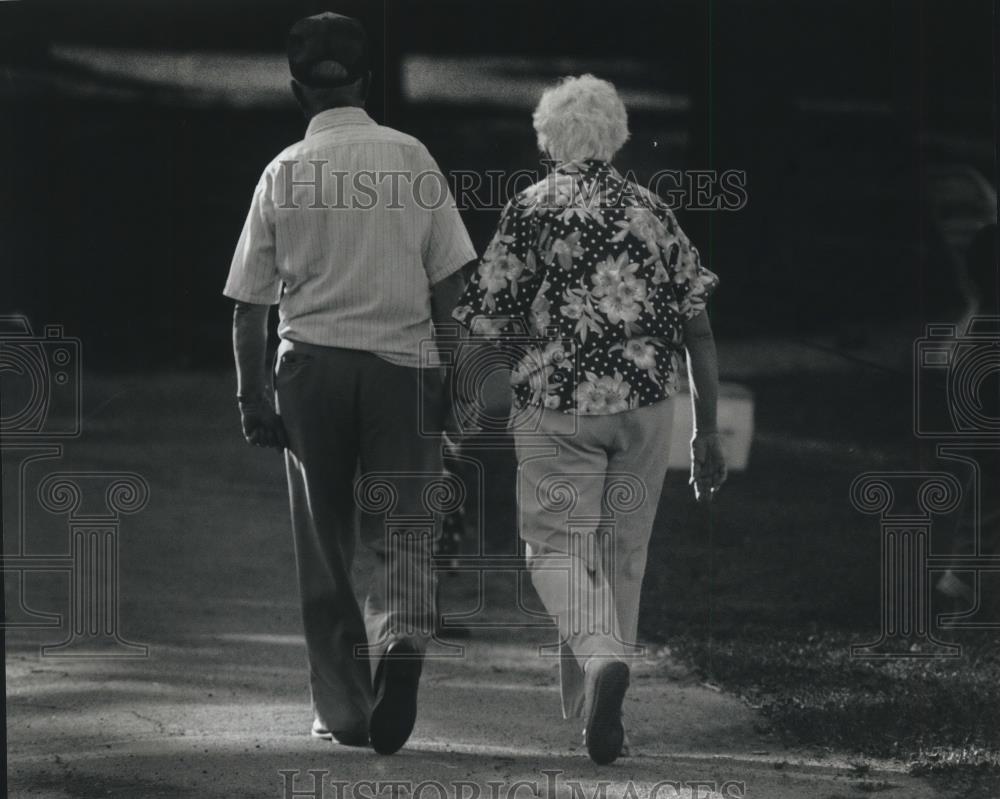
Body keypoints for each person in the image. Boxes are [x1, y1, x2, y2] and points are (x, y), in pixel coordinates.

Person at [451, 75, 726, 765]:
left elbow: (483, 316)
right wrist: (708, 430)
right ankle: (606, 709)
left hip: (559, 407)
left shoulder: (531, 209)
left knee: (553, 549)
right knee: (620, 558)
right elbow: (699, 329)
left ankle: (602, 661)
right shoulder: (653, 210)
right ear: (617, 137)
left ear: (548, 141)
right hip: (648, 405)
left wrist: (463, 399)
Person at [223, 13, 475, 754]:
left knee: (324, 543)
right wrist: (456, 377)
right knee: (405, 528)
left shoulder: (283, 171)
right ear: (365, 81)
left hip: (311, 371)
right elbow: (451, 287)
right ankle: (401, 637)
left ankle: (344, 709)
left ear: (297, 88)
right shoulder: (412, 157)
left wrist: (251, 397)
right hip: (403, 368)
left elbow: (249, 309)